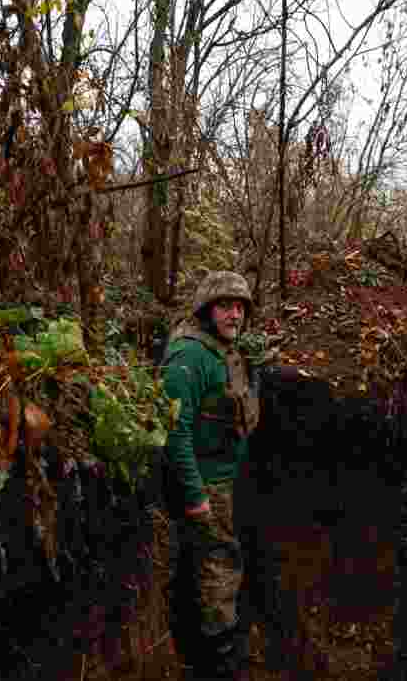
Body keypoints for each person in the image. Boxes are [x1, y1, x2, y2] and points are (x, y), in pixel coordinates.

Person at [161, 271, 260, 681]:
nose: (234, 314)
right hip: (205, 484)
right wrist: (195, 493)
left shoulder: (226, 351)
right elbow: (175, 430)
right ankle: (219, 659)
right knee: (219, 567)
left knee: (213, 562)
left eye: (239, 307)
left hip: (224, 477)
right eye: (225, 305)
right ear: (206, 310)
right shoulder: (189, 357)